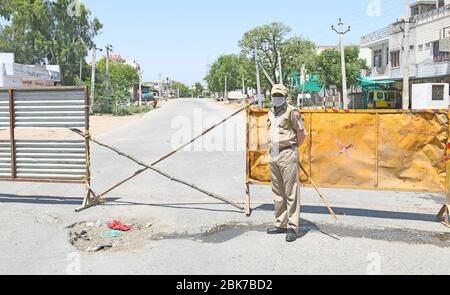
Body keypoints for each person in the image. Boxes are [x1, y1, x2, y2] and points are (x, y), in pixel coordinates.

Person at [267, 84, 307, 243]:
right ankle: (281, 223)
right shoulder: (270, 112)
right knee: (277, 191)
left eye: (279, 95)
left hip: (287, 152)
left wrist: (293, 149)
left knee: (291, 192)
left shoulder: (292, 112)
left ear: (285, 96)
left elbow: (302, 134)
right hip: (274, 153)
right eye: (274, 95)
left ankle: (292, 227)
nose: (277, 98)